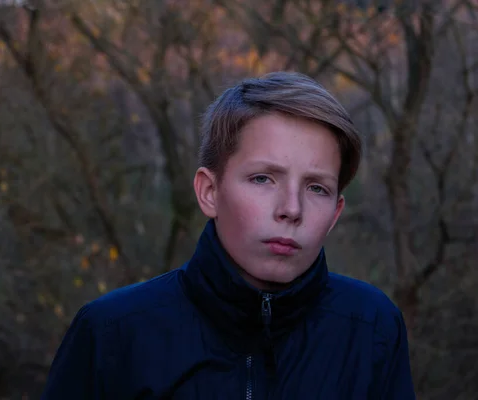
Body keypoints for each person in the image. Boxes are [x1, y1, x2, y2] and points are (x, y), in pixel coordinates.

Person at [40, 72, 415, 399]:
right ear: (209, 192)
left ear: (335, 213)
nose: (292, 209)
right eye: (263, 179)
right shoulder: (113, 334)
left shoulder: (372, 329)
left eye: (316, 188)